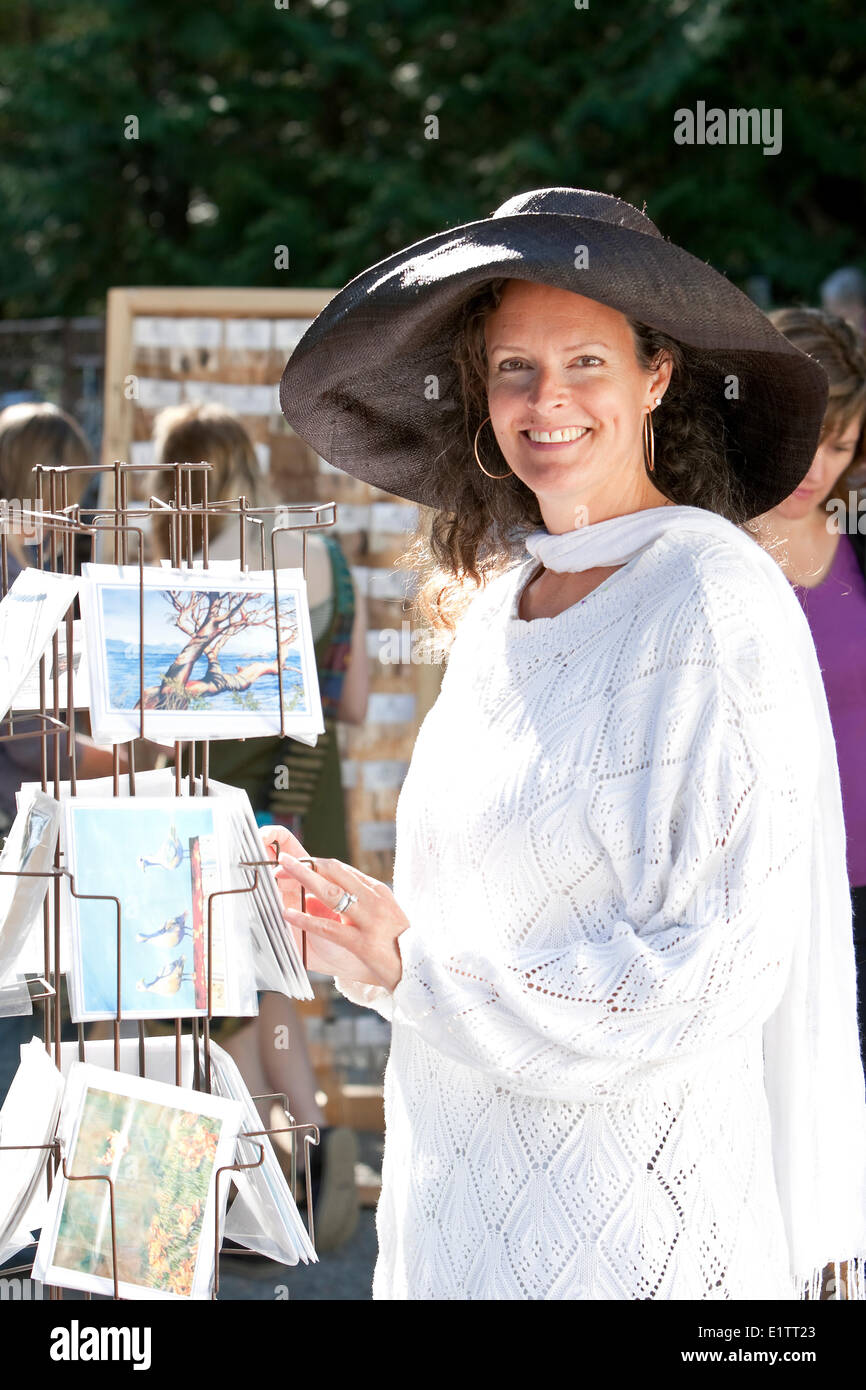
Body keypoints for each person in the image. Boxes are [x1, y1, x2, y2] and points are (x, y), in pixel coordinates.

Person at [267, 187, 866, 1301]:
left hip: (633, 1239)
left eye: (584, 362)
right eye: (512, 368)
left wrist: (417, 969)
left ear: (656, 376)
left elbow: (712, 972)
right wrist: (357, 931)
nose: (547, 401)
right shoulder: (501, 607)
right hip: (459, 1213)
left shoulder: (711, 599)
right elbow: (479, 922)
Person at [148, 401, 369, 1250]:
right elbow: (348, 704)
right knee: (267, 1002)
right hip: (310, 806)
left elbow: (173, 730)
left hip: (224, 813)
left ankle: (260, 1194)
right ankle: (311, 1176)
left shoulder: (190, 584)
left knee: (226, 1012)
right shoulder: (331, 564)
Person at [755, 308, 866, 1079]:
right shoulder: (700, 542)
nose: (818, 466)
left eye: (842, 444)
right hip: (761, 892)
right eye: (807, 435)